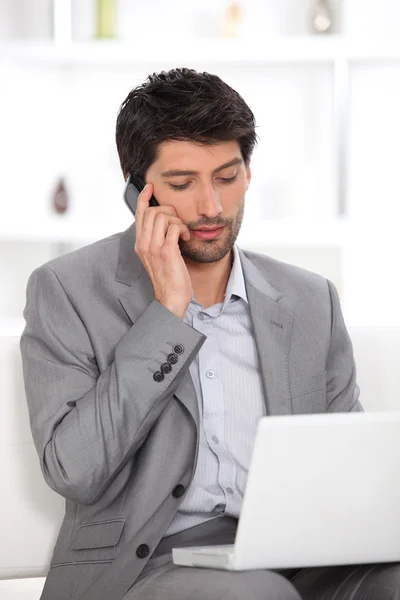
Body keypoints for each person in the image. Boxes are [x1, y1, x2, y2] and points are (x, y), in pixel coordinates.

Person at [20, 67, 400, 600]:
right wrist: (168, 314)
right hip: (149, 565)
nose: (211, 208)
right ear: (138, 192)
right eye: (182, 185)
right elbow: (74, 471)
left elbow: (346, 465)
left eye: (227, 176)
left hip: (299, 555)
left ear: (248, 171)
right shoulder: (67, 290)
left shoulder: (311, 300)